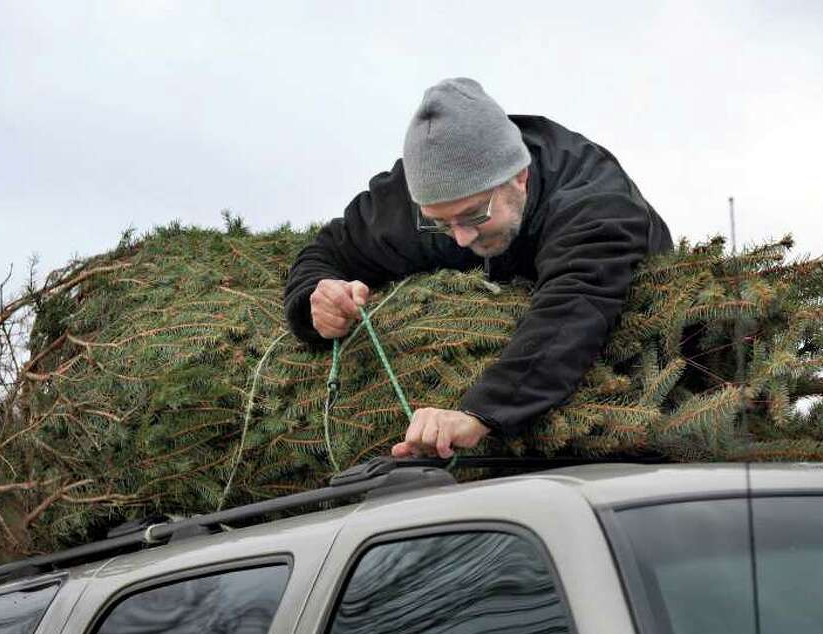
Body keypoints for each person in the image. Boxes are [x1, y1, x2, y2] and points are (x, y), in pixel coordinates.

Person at [284, 77, 672, 459]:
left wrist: (479, 413)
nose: (461, 238)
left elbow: (574, 307)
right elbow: (328, 250)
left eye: (474, 215)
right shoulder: (420, 198)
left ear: (519, 177)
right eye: (440, 222)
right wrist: (316, 297)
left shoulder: (593, 197)